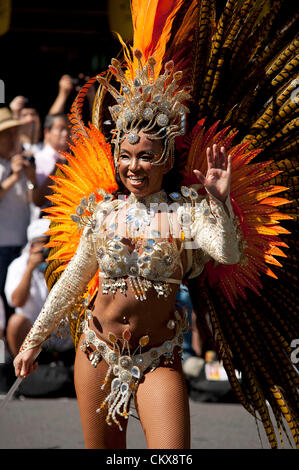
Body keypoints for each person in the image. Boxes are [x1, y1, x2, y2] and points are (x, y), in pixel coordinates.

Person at [12, 2, 299, 451]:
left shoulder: (188, 212)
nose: (134, 166)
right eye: (125, 156)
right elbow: (74, 279)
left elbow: (227, 253)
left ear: (166, 158)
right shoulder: (103, 211)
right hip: (94, 351)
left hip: (157, 357)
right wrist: (33, 340)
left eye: (146, 156)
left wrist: (220, 202)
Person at [0, 107, 35, 321]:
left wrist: (30, 175)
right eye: (6, 135)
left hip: (23, 245)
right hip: (2, 247)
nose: (13, 138)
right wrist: (13, 176)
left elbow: (33, 201)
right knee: (5, 303)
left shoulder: (19, 162)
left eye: (14, 133)